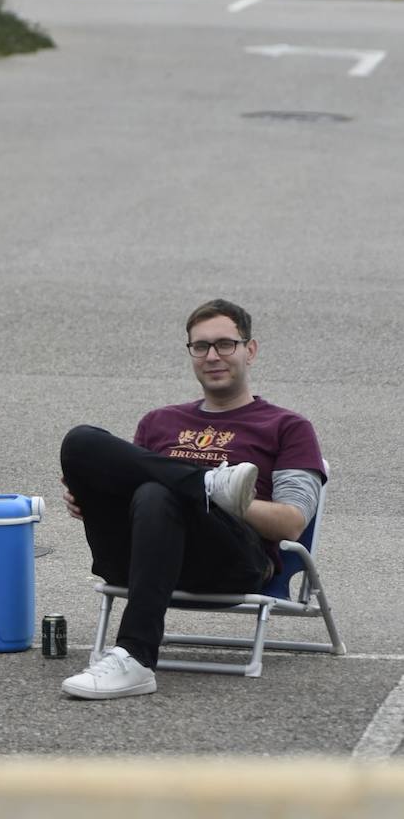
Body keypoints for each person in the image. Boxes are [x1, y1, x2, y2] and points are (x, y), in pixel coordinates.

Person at [58, 299, 326, 699]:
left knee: (155, 492)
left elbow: (291, 522)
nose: (212, 356)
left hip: (229, 560)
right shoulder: (158, 422)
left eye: (225, 344)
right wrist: (94, 499)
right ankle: (206, 484)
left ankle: (135, 656)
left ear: (249, 350)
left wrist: (235, 503)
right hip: (137, 558)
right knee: (81, 441)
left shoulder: (287, 427)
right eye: (200, 347)